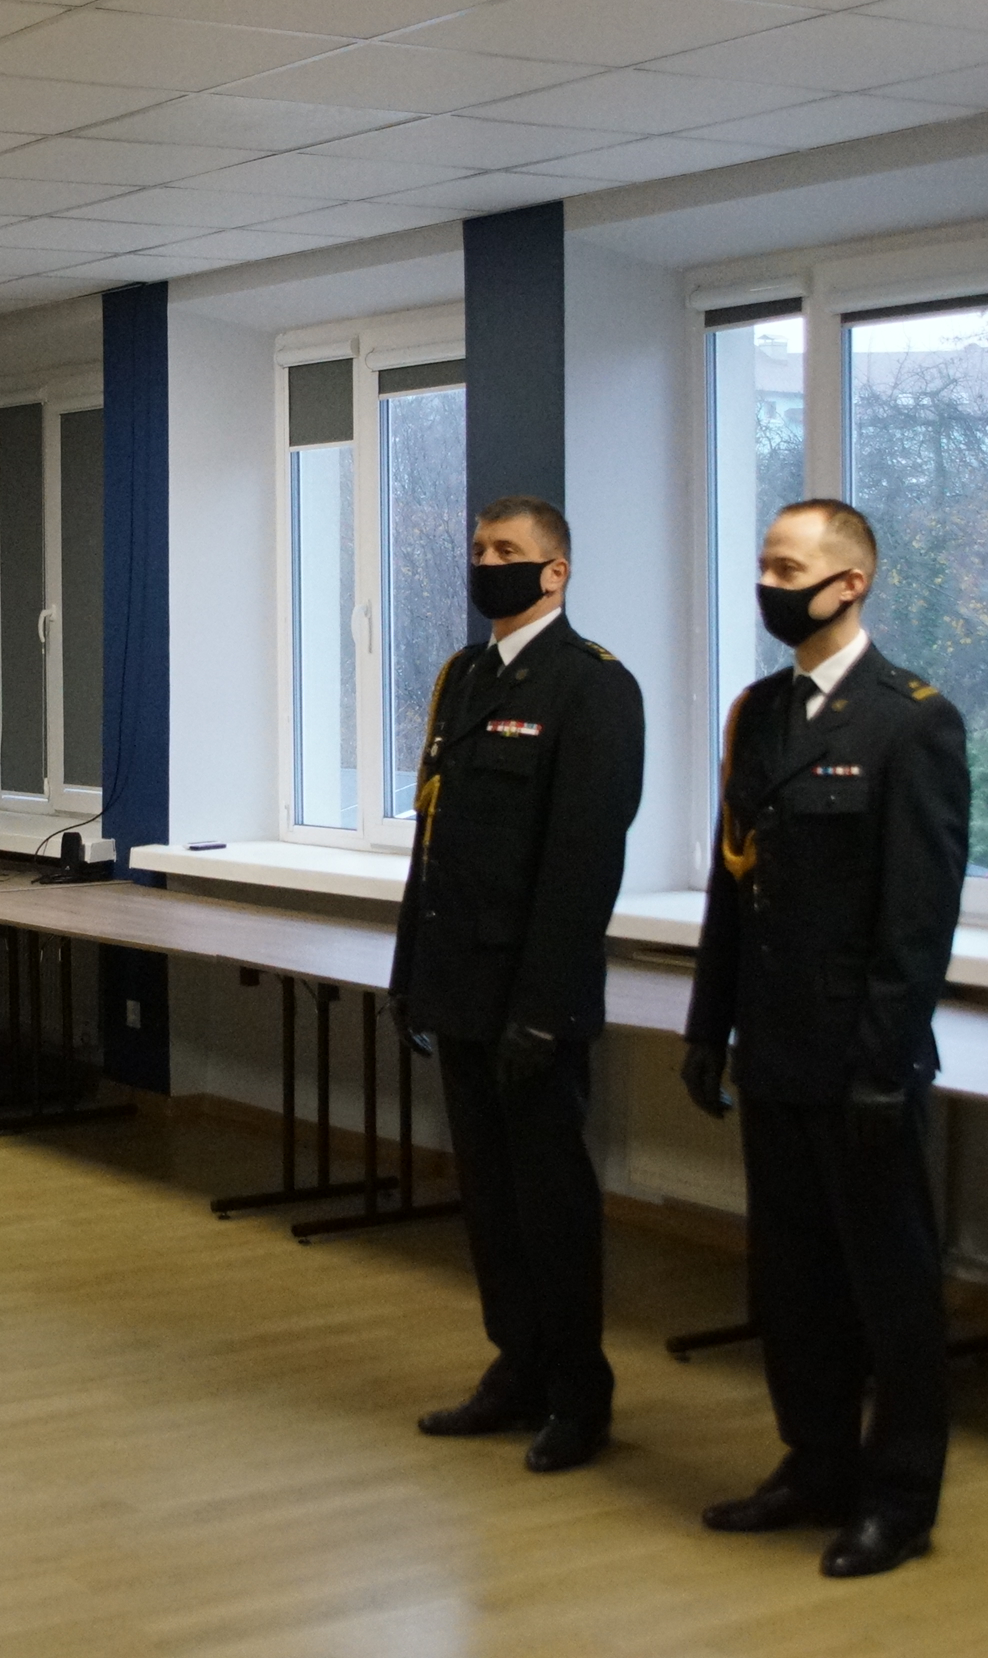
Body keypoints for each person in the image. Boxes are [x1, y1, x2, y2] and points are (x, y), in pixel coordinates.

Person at [682, 497, 968, 1580]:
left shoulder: (910, 721)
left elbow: (916, 922)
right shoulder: (760, 713)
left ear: (850, 584)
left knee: (890, 1294)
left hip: (860, 1062)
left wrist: (882, 1065)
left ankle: (899, 1498)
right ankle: (814, 1464)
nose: (768, 583)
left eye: (788, 568)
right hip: (775, 1049)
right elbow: (735, 883)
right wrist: (708, 1024)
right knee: (793, 1283)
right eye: (763, 564)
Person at [390, 494, 645, 1475]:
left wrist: (542, 1010)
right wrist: (410, 972)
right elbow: (434, 840)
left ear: (555, 571)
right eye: (478, 547)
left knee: (550, 1203)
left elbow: (582, 869)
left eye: (507, 550)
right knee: (489, 1200)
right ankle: (516, 1367)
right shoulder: (464, 678)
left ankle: (579, 1392)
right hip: (458, 983)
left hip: (532, 999)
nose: (486, 562)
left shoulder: (591, 687)